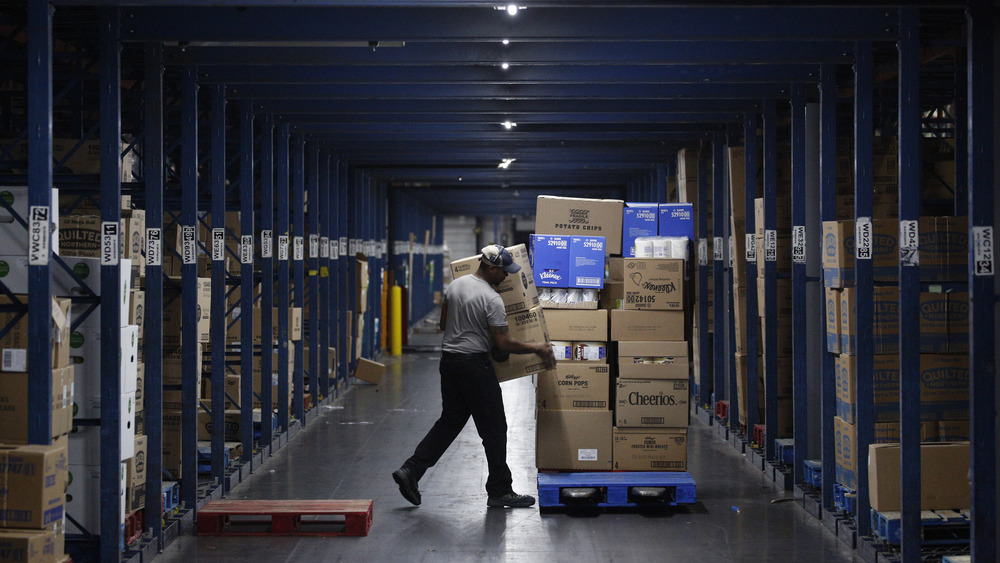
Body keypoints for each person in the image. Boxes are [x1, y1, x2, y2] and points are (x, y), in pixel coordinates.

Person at [393, 244, 554, 508]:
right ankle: (500, 490)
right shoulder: (493, 299)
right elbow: (503, 344)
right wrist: (537, 347)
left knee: (450, 421)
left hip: (449, 362)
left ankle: (411, 470)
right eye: (503, 272)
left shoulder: (456, 286)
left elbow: (444, 325)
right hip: (474, 367)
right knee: (495, 428)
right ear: (491, 269)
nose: (506, 277)